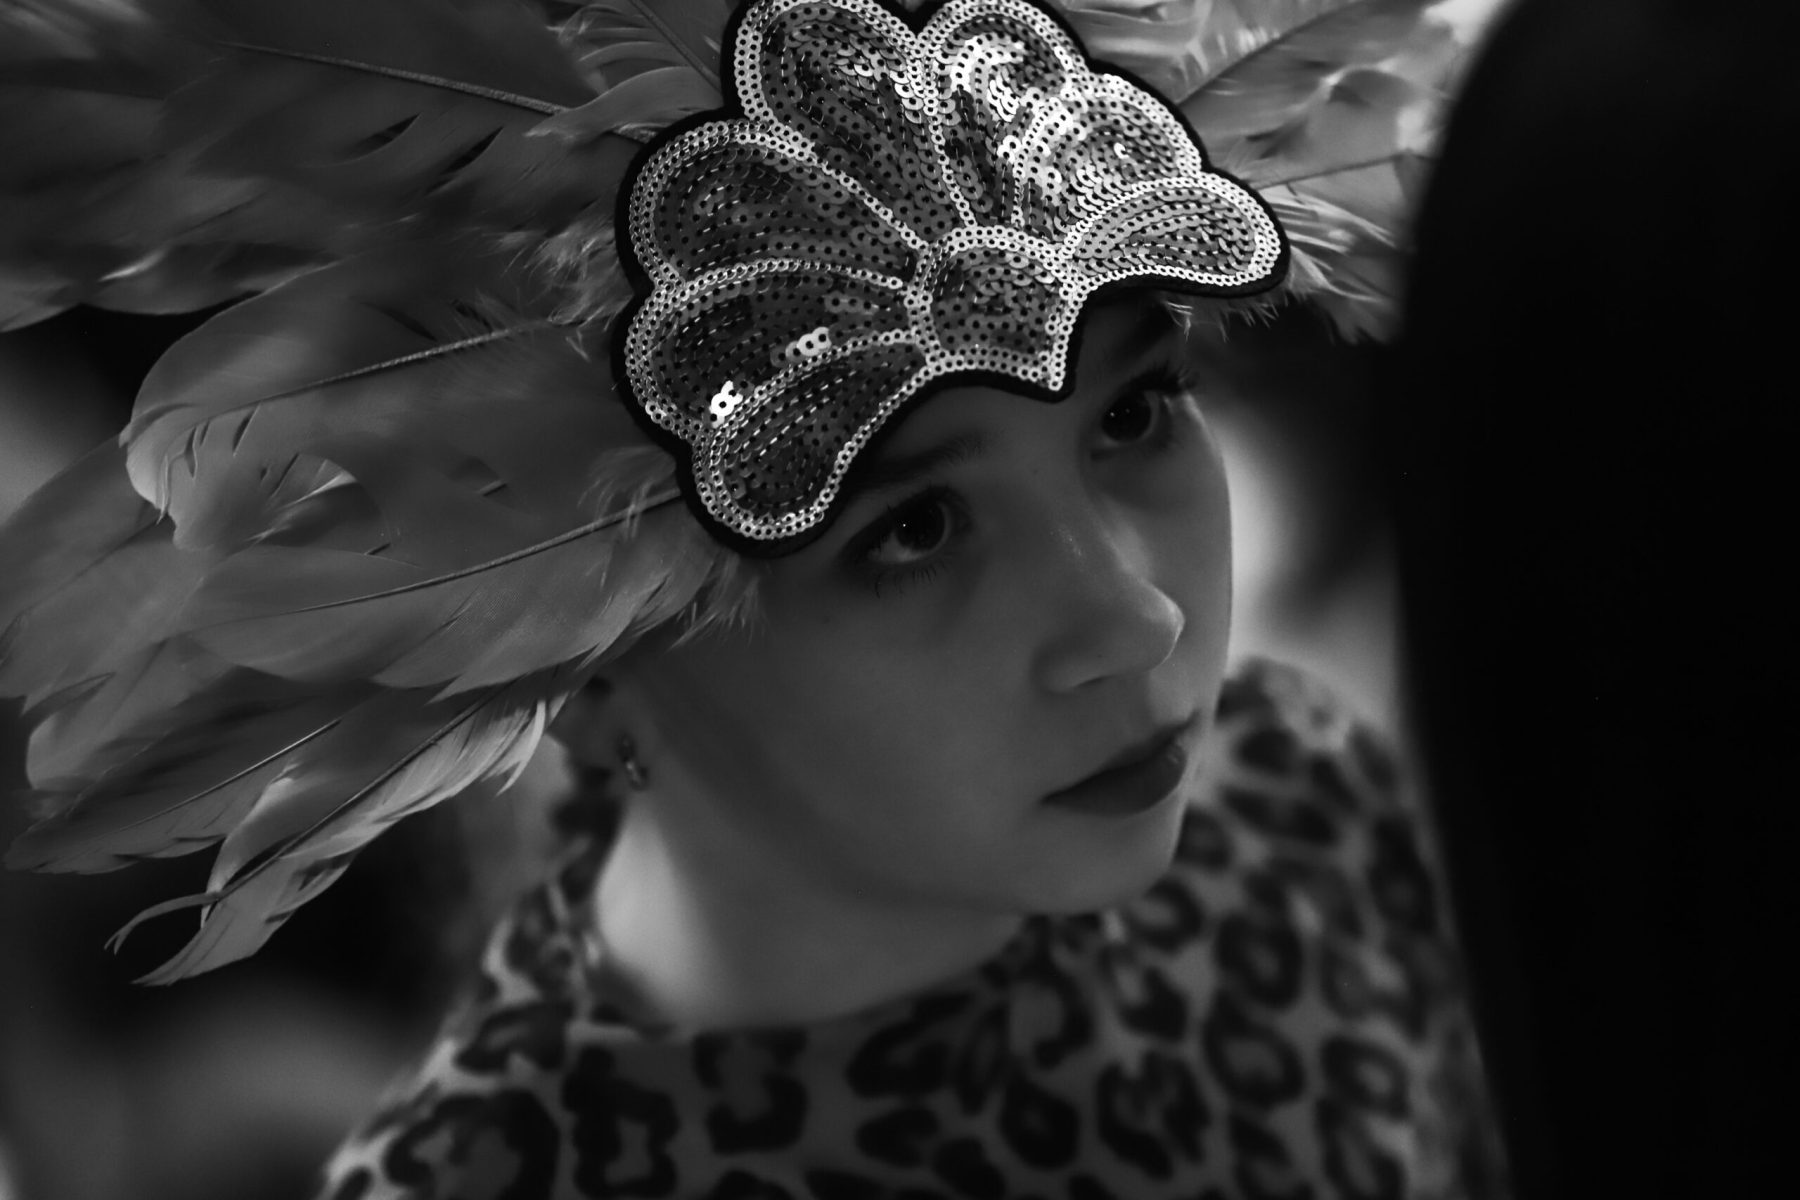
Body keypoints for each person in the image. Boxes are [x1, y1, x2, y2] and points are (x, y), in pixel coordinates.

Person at [0, 0, 1510, 1195]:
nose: (1140, 622)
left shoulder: (1292, 796)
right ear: (579, 659)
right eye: (912, 529)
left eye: (1134, 413)